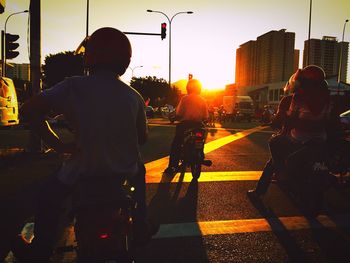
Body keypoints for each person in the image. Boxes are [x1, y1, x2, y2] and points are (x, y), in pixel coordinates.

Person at [15, 27, 156, 261]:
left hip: (80, 173)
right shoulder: (134, 96)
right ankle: (140, 225)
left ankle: (40, 250)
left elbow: (29, 110)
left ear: (90, 56)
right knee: (139, 170)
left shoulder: (73, 86)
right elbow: (142, 139)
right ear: (125, 59)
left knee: (46, 198)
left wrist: (58, 144)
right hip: (121, 175)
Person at [248, 65, 332, 199]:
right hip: (320, 138)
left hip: (299, 138)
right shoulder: (328, 98)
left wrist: (279, 120)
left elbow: (290, 117)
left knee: (274, 144)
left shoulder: (297, 98)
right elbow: (328, 119)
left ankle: (265, 187)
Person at [164, 79, 209, 175]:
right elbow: (206, 116)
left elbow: (179, 113)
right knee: (201, 139)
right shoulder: (202, 100)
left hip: (185, 125)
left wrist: (176, 117)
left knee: (176, 143)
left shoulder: (185, 99)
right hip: (199, 125)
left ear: (188, 88)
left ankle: (172, 166)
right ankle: (200, 153)